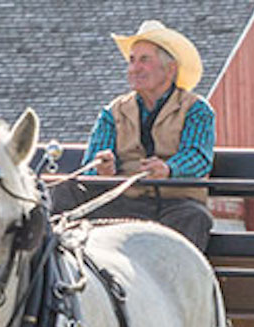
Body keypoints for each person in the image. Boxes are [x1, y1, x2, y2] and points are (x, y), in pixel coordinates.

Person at [80, 20, 216, 250]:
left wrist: (169, 169)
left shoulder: (196, 109)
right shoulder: (113, 112)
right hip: (124, 203)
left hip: (175, 204)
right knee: (64, 194)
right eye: (132, 60)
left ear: (170, 68)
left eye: (144, 60)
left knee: (194, 217)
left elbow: (198, 157)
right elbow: (91, 162)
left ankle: (175, 285)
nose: (134, 68)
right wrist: (101, 168)